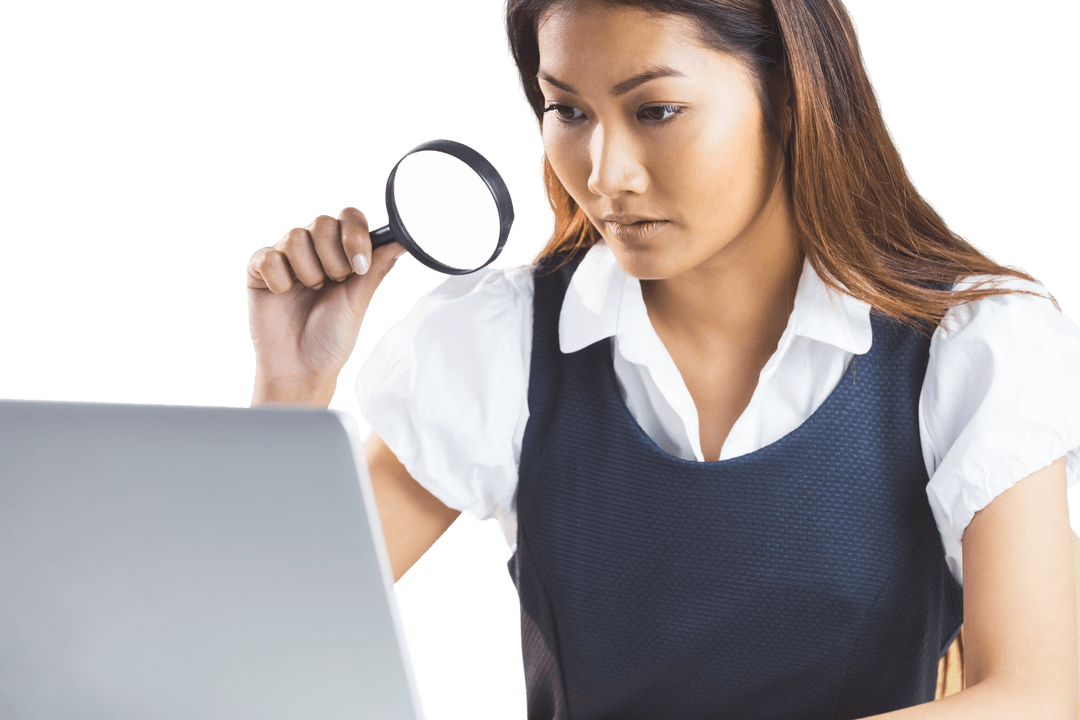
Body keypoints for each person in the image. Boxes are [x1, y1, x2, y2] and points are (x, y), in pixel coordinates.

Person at [246, 0, 1080, 717]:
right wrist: (293, 384)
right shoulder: (499, 342)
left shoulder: (971, 346)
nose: (605, 175)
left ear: (788, 95)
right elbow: (269, 635)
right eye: (567, 111)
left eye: (655, 111)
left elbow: (1038, 694)